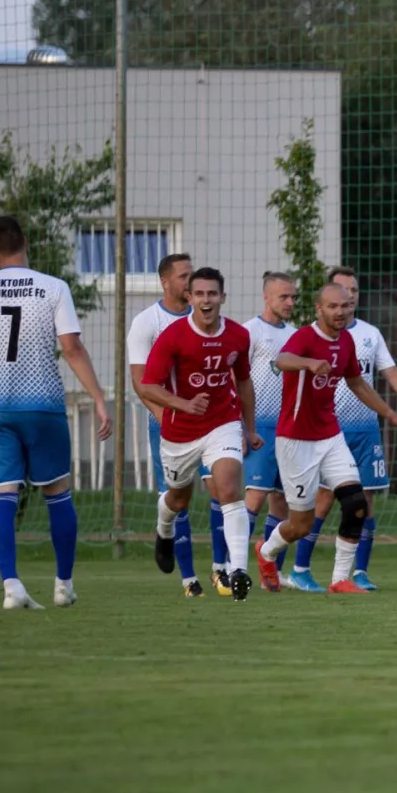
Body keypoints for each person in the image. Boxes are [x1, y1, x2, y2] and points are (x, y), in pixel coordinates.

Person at [0, 215, 111, 609]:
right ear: (25, 243)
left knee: (3, 494)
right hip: (43, 405)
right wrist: (98, 398)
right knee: (57, 492)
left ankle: (11, 586)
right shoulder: (53, 288)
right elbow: (72, 348)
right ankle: (63, 585)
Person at [255, 284, 397, 594]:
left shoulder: (346, 341)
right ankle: (266, 552)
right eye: (333, 306)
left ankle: (340, 579)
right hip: (295, 441)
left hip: (330, 436)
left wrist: (393, 416)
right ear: (319, 309)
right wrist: (308, 363)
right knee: (301, 525)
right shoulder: (305, 337)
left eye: (346, 305)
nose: (341, 312)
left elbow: (357, 383)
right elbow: (282, 360)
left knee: (356, 502)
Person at [289, 267, 397, 592]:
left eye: (353, 291)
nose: (349, 297)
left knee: (364, 499)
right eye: (342, 291)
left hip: (366, 430)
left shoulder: (370, 334)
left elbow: (391, 372)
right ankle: (300, 569)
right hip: (331, 430)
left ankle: (358, 573)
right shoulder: (315, 336)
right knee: (324, 499)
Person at [138, 267, 257, 601]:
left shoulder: (237, 335)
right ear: (189, 298)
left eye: (212, 293)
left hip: (223, 422)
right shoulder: (174, 336)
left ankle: (238, 572)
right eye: (200, 294)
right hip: (180, 432)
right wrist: (184, 404)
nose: (207, 300)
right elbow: (148, 386)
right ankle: (163, 528)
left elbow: (244, 381)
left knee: (229, 489)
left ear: (223, 297)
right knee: (179, 499)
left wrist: (249, 428)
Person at [126, 253, 226, 597]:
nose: (190, 281)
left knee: (222, 488)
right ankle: (188, 580)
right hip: (170, 424)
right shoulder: (147, 322)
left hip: (213, 423)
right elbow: (141, 381)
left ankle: (221, 570)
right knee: (178, 498)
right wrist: (165, 418)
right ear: (165, 282)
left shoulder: (209, 319)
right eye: (183, 276)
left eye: (191, 275)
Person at [244, 272, 299, 591]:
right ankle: (232, 569)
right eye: (284, 297)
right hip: (259, 427)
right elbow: (237, 380)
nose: (290, 302)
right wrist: (243, 426)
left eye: (293, 297)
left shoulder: (295, 336)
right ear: (266, 297)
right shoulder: (250, 331)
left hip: (288, 429)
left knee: (283, 503)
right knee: (254, 496)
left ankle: (271, 574)